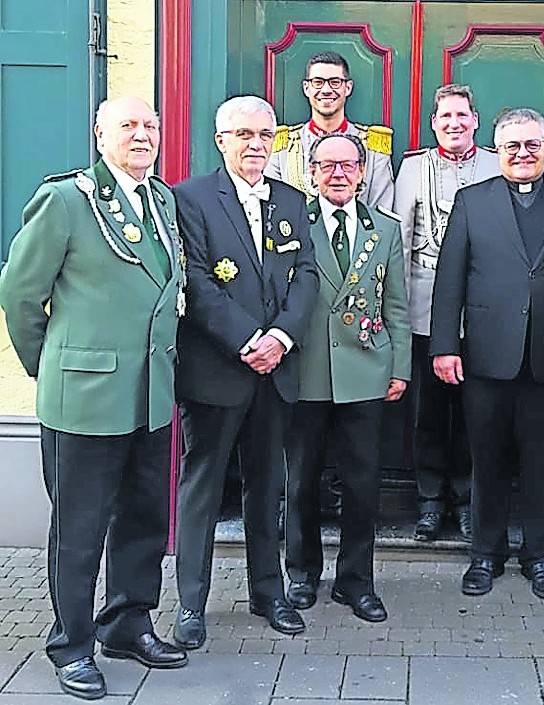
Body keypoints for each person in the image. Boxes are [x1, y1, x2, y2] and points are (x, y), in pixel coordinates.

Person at [0, 96, 187, 700]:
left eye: (150, 125)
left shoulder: (160, 200)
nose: (142, 135)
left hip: (150, 395)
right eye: (127, 126)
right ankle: (72, 644)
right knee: (79, 530)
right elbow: (20, 294)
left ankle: (128, 624)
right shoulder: (66, 200)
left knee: (143, 521)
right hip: (83, 399)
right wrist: (51, 367)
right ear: (99, 136)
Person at [172, 95, 318, 649]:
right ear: (221, 140)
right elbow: (197, 281)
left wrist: (280, 336)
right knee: (203, 487)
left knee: (268, 486)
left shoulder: (292, 201)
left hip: (276, 371)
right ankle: (190, 603)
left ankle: (268, 591)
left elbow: (306, 274)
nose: (256, 144)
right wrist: (247, 340)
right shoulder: (190, 199)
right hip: (217, 370)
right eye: (244, 134)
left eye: (265, 134)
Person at [430, 107, 544, 599]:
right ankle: (484, 555)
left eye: (532, 144)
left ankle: (541, 558)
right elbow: (450, 278)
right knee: (485, 459)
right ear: (498, 150)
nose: (522, 153)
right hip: (486, 356)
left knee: (543, 462)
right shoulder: (472, 201)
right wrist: (445, 345)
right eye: (512, 145)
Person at [285, 133, 410, 623]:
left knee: (362, 483)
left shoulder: (385, 227)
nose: (338, 174)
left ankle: (356, 580)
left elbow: (396, 305)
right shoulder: (294, 223)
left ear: (362, 172)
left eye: (348, 165)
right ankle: (301, 573)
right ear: (312, 172)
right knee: (301, 481)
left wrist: (399, 366)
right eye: (327, 165)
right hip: (307, 370)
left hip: (365, 371)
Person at [394, 84, 500, 542]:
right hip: (424, 303)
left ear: (475, 119)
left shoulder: (498, 163)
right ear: (434, 123)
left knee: (479, 413)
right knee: (429, 413)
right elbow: (397, 240)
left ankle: (472, 499)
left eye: (462, 114)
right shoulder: (414, 167)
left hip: (484, 308)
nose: (454, 123)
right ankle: (431, 501)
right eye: (445, 117)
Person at [265, 51, 394, 209]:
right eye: (318, 82)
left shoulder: (373, 148)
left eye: (335, 82)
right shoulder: (284, 148)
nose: (326, 90)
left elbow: (381, 215)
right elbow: (274, 207)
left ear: (348, 88)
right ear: (306, 88)